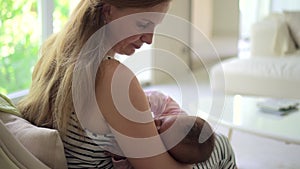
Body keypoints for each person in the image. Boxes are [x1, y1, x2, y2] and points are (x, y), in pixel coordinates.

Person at [17, 0, 237, 168]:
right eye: (143, 23)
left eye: (155, 26)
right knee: (221, 147)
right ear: (108, 11)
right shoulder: (112, 78)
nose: (150, 39)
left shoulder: (54, 51)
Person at [111, 90, 216, 169]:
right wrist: (146, 102)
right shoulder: (176, 114)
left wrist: (121, 157)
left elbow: (134, 164)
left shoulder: (158, 155)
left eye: (159, 133)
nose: (155, 124)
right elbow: (163, 100)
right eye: (162, 121)